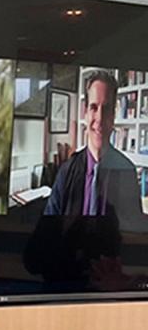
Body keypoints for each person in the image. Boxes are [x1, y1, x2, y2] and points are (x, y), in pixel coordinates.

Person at [44, 70, 144, 220]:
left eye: (106, 109)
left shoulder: (127, 173)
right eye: (94, 107)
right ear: (85, 113)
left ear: (113, 116)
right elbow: (48, 229)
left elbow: (132, 236)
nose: (99, 118)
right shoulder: (66, 172)